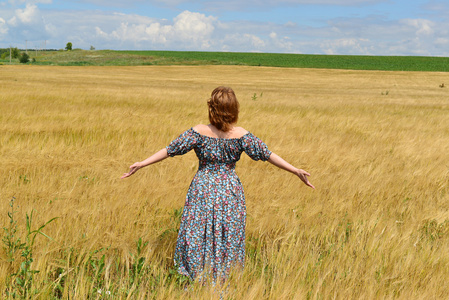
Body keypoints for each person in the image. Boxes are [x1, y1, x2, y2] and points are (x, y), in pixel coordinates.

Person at [121, 86, 314, 283]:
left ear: (212, 109)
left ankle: (196, 278)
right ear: (234, 109)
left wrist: (143, 163)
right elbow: (268, 154)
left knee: (196, 232)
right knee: (227, 233)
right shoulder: (241, 135)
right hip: (229, 190)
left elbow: (170, 150)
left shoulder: (199, 131)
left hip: (202, 188)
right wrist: (295, 170)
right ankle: (224, 278)